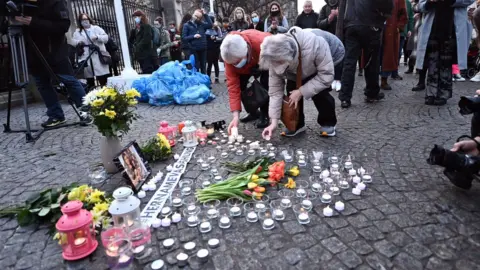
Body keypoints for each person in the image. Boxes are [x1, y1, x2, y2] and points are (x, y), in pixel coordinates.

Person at [14, 0, 89, 128]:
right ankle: (55, 115)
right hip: (33, 52)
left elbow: (63, 26)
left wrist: (34, 22)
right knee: (42, 84)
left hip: (55, 51)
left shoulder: (56, 2)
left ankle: (87, 111)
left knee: (69, 81)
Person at [260, 27, 337, 138]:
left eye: (280, 63)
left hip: (324, 58)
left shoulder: (316, 44)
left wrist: (301, 91)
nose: (277, 68)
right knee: (292, 90)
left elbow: (326, 76)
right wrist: (274, 122)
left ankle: (328, 122)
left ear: (288, 56)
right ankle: (296, 123)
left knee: (319, 91)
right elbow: (275, 92)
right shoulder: (274, 58)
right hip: (295, 68)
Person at [415, 0, 474, 106]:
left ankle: (443, 93)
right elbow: (420, 6)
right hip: (433, 27)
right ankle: (431, 93)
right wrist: (429, 2)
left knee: (445, 62)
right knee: (432, 61)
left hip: (451, 27)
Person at [338, 0, 394, 109]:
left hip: (351, 25)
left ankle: (345, 97)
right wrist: (383, 16)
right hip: (370, 24)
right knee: (372, 61)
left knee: (349, 63)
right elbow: (387, 4)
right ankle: (372, 93)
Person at [220, 30, 272, 132]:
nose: (235, 65)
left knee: (265, 84)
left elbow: (275, 64)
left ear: (246, 51)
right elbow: (233, 87)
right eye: (233, 63)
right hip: (246, 67)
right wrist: (235, 116)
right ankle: (253, 112)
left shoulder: (262, 42)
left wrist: (261, 67)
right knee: (243, 87)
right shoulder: (229, 54)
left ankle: (264, 114)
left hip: (265, 60)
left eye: (238, 62)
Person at [72, 13, 110, 90]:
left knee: (102, 79)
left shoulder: (96, 28)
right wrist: (78, 42)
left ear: (89, 19)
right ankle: (92, 96)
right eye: (82, 20)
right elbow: (73, 41)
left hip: (98, 56)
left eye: (86, 19)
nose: (85, 21)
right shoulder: (78, 31)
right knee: (89, 79)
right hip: (86, 56)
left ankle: (105, 95)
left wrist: (97, 37)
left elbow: (106, 38)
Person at [380, 0, 407, 90]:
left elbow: (403, 14)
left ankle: (384, 79)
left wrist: (398, 28)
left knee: (388, 56)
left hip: (390, 29)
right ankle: (371, 83)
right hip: (376, 26)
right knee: (374, 54)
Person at [182, 9, 213, 74]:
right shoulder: (187, 25)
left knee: (203, 66)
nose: (196, 18)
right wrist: (193, 36)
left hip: (203, 48)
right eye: (195, 16)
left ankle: (203, 81)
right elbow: (184, 38)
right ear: (193, 14)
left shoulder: (201, 24)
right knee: (195, 66)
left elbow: (210, 25)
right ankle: (197, 81)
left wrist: (205, 15)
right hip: (193, 48)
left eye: (198, 17)